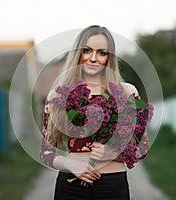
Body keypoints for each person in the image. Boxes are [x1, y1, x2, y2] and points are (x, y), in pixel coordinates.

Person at [40, 25, 149, 200]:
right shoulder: (59, 95)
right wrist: (70, 164)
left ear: (109, 57)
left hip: (113, 186)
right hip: (71, 185)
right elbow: (46, 153)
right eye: (87, 50)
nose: (92, 58)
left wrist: (113, 153)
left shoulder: (127, 92)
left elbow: (142, 148)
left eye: (101, 53)